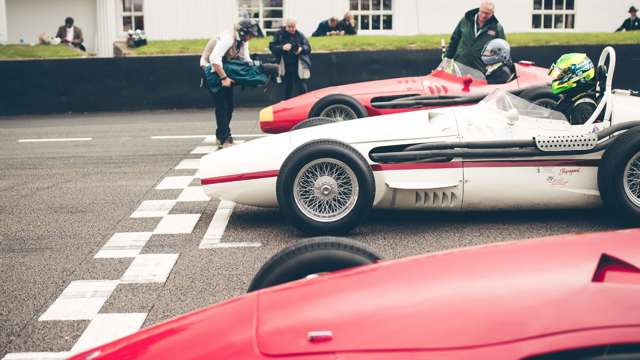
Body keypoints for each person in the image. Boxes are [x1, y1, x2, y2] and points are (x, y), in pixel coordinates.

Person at [200, 20, 259, 148]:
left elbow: (245, 59)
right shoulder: (228, 38)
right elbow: (214, 59)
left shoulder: (243, 41)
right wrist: (224, 78)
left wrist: (255, 70)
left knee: (229, 106)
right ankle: (224, 139)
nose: (251, 38)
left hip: (226, 68)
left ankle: (220, 134)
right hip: (210, 69)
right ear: (243, 32)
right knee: (222, 106)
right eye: (250, 35)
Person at [444, 1, 505, 73]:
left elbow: (501, 50)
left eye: (487, 13)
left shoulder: (497, 28)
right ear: (479, 9)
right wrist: (447, 57)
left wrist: (493, 66)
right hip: (460, 64)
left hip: (479, 68)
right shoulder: (466, 20)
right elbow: (455, 39)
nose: (483, 15)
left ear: (492, 13)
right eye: (482, 12)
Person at [269, 18, 312, 100]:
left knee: (302, 87)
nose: (292, 29)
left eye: (293, 27)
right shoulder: (279, 34)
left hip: (298, 65)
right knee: (287, 87)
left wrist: (301, 49)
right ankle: (286, 105)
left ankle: (304, 103)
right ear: (285, 26)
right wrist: (282, 48)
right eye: (289, 27)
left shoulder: (300, 35)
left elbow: (308, 48)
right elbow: (272, 47)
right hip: (284, 65)